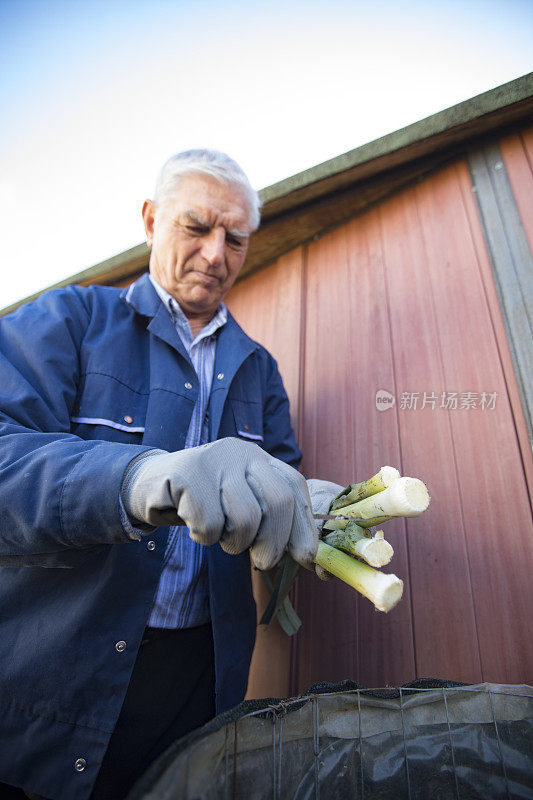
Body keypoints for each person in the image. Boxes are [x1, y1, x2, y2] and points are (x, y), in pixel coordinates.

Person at [0, 150, 342, 800]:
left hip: (194, 673)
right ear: (152, 219)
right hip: (57, 659)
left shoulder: (257, 370)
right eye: (197, 226)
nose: (216, 253)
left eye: (235, 238)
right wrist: (138, 479)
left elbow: (279, 477)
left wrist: (309, 505)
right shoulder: (69, 323)